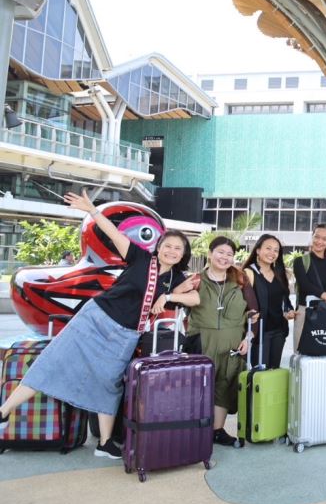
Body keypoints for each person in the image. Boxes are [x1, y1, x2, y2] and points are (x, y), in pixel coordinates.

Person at [0, 190, 200, 460]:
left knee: (109, 384)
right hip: (96, 319)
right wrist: (92, 210)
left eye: (178, 248)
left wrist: (168, 297)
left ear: (184, 253)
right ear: (158, 246)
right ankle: (3, 411)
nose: (172, 251)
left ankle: (104, 443)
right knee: (52, 361)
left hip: (126, 335)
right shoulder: (141, 258)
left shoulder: (176, 278)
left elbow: (195, 298)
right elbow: (114, 234)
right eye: (168, 245)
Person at [184, 236, 256, 447]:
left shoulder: (240, 280)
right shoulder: (195, 280)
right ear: (210, 253)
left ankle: (217, 430)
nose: (225, 257)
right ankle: (196, 429)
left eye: (229, 254)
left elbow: (254, 313)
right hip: (201, 340)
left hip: (232, 342)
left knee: (225, 385)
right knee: (198, 385)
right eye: (220, 252)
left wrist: (249, 338)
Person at [242, 234, 296, 369]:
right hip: (260, 332)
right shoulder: (249, 272)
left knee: (274, 372)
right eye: (268, 248)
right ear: (258, 250)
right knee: (260, 373)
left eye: (276, 250)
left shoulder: (280, 273)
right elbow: (243, 303)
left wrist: (288, 310)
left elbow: (285, 299)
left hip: (279, 331)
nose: (272, 253)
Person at [292, 224, 326, 349]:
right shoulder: (300, 261)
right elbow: (305, 285)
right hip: (305, 312)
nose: (319, 241)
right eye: (317, 237)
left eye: (324, 239)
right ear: (312, 237)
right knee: (302, 353)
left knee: (324, 352)